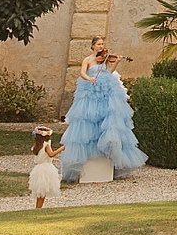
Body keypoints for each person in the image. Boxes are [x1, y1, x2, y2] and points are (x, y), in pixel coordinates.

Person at [61, 42, 148, 182]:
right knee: (88, 119)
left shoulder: (106, 59)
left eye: (102, 44)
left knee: (109, 118)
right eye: (98, 44)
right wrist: (89, 78)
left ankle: (110, 161)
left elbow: (109, 71)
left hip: (106, 89)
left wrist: (117, 62)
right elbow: (82, 72)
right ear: (93, 46)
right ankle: (88, 160)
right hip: (91, 88)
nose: (101, 46)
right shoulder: (88, 60)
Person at [27, 126, 63, 209]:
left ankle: (38, 207)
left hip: (38, 168)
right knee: (43, 189)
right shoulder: (46, 145)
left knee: (40, 190)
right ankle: (38, 208)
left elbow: (43, 156)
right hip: (45, 168)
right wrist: (61, 149)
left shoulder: (36, 146)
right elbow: (51, 154)